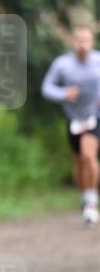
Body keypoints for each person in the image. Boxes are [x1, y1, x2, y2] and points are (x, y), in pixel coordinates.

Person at [41, 24, 100, 226]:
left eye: (86, 39)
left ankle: (91, 203)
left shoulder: (98, 61)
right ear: (72, 42)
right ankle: (85, 197)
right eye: (79, 39)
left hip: (95, 116)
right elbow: (47, 88)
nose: (82, 44)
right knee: (79, 162)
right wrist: (64, 94)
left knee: (88, 155)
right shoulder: (62, 64)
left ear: (92, 41)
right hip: (73, 119)